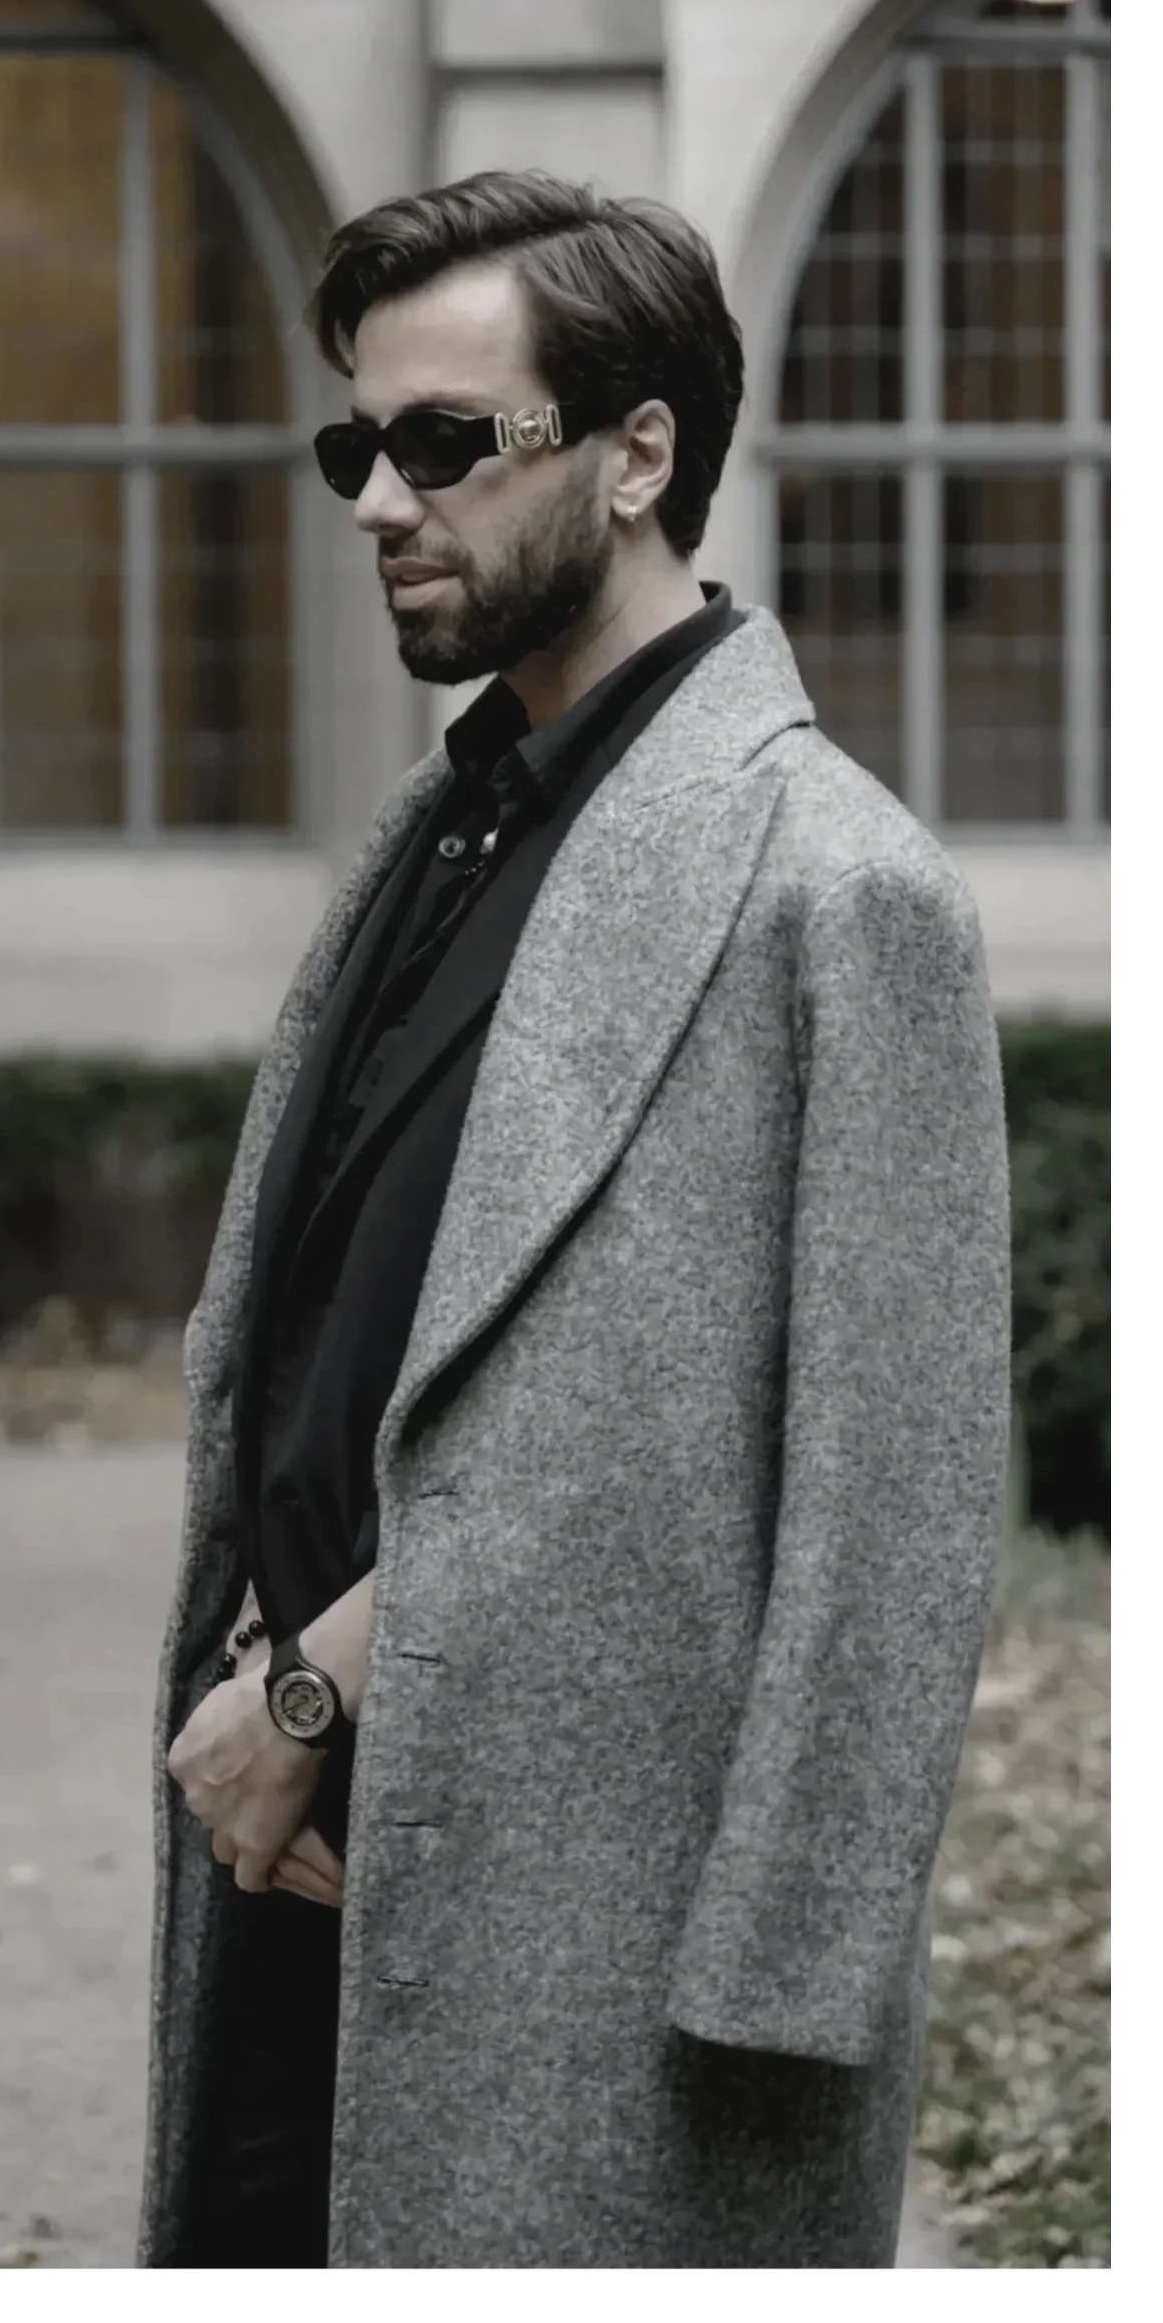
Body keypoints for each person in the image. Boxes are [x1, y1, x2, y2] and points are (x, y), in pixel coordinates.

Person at [140, 170, 1010, 2277]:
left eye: (451, 440)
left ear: (638, 454)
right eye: (361, 442)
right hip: (298, 1891)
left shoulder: (838, 891)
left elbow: (895, 1526)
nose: (379, 496)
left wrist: (775, 2011)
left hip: (598, 1992)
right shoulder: (438, 832)